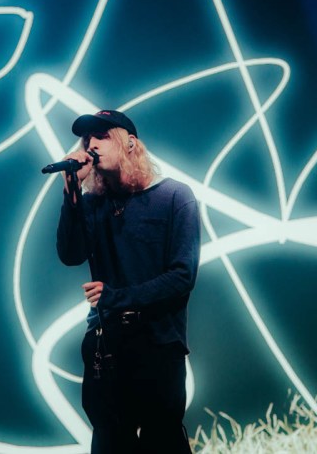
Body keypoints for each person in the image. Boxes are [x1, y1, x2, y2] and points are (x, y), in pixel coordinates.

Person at [55, 109, 201, 453]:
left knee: (162, 439)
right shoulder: (92, 204)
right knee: (109, 440)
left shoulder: (175, 197)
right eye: (87, 139)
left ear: (130, 143)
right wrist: (71, 191)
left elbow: (182, 276)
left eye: (102, 136)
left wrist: (116, 297)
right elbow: (70, 254)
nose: (91, 145)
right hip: (105, 344)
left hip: (158, 343)